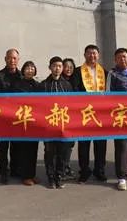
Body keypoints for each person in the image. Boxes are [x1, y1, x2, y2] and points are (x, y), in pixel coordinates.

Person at [70, 44, 108, 183]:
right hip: (84, 113)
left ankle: (100, 170)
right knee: (84, 144)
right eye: (89, 53)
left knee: (100, 144)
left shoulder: (104, 71)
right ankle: (84, 171)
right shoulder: (78, 71)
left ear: (98, 55)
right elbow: (74, 91)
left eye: (95, 53)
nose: (92, 56)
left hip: (100, 113)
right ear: (85, 55)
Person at [106, 48, 127, 191]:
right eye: (119, 57)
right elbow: (107, 94)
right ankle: (121, 177)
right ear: (115, 60)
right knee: (121, 146)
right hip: (119, 116)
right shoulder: (112, 74)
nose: (123, 59)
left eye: (125, 57)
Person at [41, 56, 73, 189]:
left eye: (60, 66)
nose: (57, 68)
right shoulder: (43, 85)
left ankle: (59, 176)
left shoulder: (67, 85)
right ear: (50, 67)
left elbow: (72, 105)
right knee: (49, 152)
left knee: (62, 152)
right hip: (48, 124)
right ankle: (50, 177)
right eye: (54, 66)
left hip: (63, 124)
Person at [0, 48, 22, 184]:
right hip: (3, 117)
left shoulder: (22, 76)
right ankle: (3, 172)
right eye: (10, 58)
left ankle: (15, 169)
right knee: (3, 146)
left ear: (18, 60)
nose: (12, 60)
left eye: (15, 58)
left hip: (18, 117)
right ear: (5, 59)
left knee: (17, 145)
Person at [12, 61, 41, 186]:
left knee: (33, 149)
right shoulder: (17, 84)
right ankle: (25, 175)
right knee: (23, 150)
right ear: (23, 70)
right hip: (22, 121)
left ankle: (32, 174)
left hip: (34, 122)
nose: (30, 70)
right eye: (27, 68)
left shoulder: (38, 85)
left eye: (32, 68)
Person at [61, 58, 76, 180]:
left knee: (70, 144)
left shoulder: (75, 81)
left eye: (71, 67)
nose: (68, 69)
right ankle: (61, 168)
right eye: (66, 66)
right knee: (61, 145)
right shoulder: (59, 81)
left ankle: (67, 165)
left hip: (73, 118)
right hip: (60, 117)